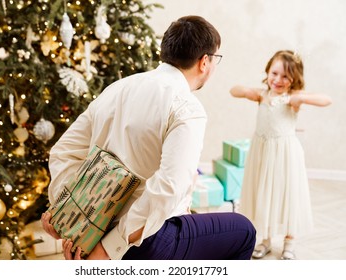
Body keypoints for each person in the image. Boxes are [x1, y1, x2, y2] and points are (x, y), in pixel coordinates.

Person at [41, 15, 256, 260]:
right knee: (244, 230)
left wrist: (68, 214)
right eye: (216, 58)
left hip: (98, 229)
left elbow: (63, 151)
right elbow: (169, 187)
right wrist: (108, 250)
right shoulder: (186, 108)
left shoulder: (117, 89)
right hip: (144, 242)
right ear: (204, 62)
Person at [230, 50, 332, 260]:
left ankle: (289, 241)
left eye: (285, 76)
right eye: (274, 73)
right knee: (263, 193)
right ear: (267, 71)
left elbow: (326, 100)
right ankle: (266, 240)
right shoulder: (262, 95)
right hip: (262, 152)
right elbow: (234, 90)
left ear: (294, 79)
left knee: (287, 194)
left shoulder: (292, 99)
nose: (278, 79)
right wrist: (247, 90)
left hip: (285, 154)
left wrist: (300, 96)